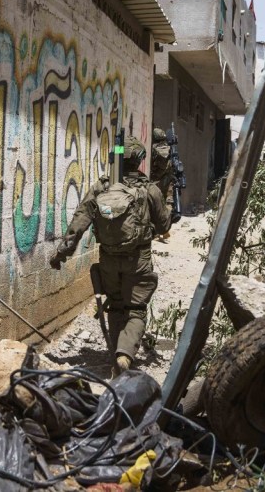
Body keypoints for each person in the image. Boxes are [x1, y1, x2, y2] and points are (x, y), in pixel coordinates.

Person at [48, 137, 171, 376]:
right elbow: (165, 225)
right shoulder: (149, 190)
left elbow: (78, 224)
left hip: (108, 259)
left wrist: (61, 254)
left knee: (115, 306)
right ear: (139, 161)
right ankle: (124, 354)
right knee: (135, 309)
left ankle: (116, 356)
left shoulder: (100, 188)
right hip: (138, 259)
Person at [149, 127, 174, 242]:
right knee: (164, 206)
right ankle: (164, 231)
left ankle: (160, 231)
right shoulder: (169, 148)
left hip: (157, 181)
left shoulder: (157, 148)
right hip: (167, 181)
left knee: (155, 207)